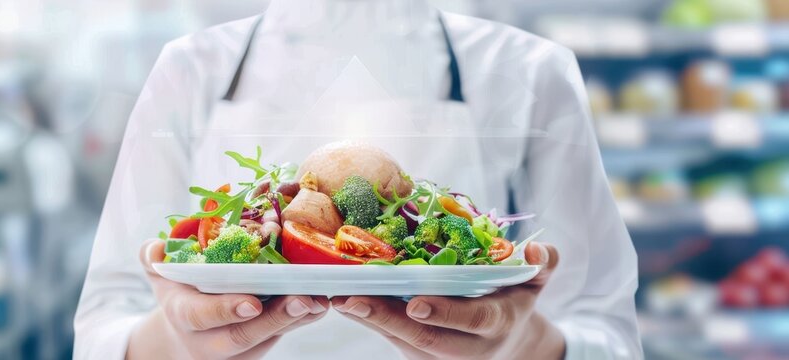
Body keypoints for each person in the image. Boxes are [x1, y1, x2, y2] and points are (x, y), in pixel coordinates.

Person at [73, 1, 642, 359]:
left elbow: (605, 330)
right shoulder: (190, 67)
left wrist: (526, 347)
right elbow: (107, 318)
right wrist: (171, 345)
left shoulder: (528, 69)